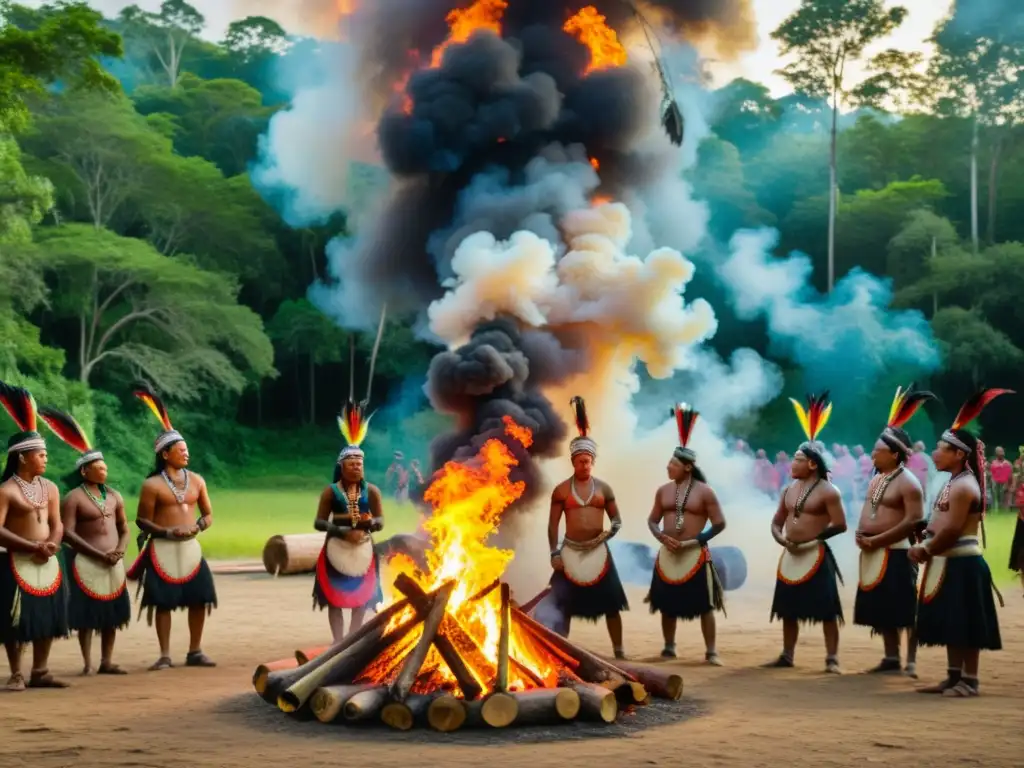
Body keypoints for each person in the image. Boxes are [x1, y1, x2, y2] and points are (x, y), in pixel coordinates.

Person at [910, 388, 1012, 697]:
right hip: (948, 560)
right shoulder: (953, 483)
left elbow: (953, 529)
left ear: (959, 454)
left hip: (963, 562)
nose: (934, 453)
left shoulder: (963, 486)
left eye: (940, 449)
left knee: (965, 621)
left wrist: (925, 548)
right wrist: (926, 532)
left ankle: (970, 680)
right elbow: (942, 524)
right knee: (953, 621)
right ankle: (954, 677)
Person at [126, 383, 217, 671]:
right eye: (181, 450)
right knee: (162, 603)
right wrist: (167, 532)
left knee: (200, 598)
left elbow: (209, 514)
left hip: (191, 548)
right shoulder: (152, 485)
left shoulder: (198, 481)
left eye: (186, 449)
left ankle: (195, 650)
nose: (186, 453)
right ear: (165, 454)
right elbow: (141, 520)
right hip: (163, 548)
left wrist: (198, 527)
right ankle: (164, 654)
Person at [39, 406, 131, 675]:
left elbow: (125, 528)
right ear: (84, 472)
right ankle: (88, 663)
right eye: (98, 468)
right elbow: (67, 533)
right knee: (87, 616)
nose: (104, 471)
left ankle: (106, 661)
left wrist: (120, 550)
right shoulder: (74, 498)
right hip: (87, 564)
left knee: (112, 615)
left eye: (104, 467)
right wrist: (97, 554)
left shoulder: (115, 496)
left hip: (113, 562)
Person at [852, 385, 933, 676]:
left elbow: (913, 521)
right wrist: (862, 535)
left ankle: (910, 660)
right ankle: (890, 657)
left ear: (895, 454)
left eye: (878, 450)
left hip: (898, 554)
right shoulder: (879, 478)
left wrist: (878, 540)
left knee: (903, 609)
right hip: (874, 550)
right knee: (881, 610)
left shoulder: (908, 482)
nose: (873, 454)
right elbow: (869, 510)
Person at [765, 393, 847, 673]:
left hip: (816, 556)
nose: (792, 463)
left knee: (827, 610)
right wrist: (781, 539)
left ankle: (832, 658)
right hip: (790, 555)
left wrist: (811, 541)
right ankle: (787, 655)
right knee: (788, 609)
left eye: (798, 459)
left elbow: (840, 524)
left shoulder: (828, 491)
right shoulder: (788, 490)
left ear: (813, 464)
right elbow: (776, 522)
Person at [0, 382, 69, 690]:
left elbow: (58, 523)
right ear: (23, 458)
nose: (46, 459)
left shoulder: (51, 488)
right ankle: (16, 673)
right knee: (14, 620)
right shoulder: (6, 491)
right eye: (41, 455)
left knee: (46, 616)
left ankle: (40, 671)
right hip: (15, 560)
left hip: (47, 560)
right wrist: (31, 546)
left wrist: (52, 542)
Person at [549, 396, 629, 659]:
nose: (585, 465)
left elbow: (616, 519)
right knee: (559, 603)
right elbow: (553, 524)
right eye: (580, 461)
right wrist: (555, 553)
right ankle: (560, 650)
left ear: (593, 461)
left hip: (598, 552)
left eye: (588, 461)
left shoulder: (604, 488)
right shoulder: (561, 491)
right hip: (570, 550)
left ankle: (618, 650)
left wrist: (610, 532)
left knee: (612, 604)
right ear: (573, 462)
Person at [645, 403, 726, 663]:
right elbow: (652, 520)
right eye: (669, 463)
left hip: (695, 555)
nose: (668, 467)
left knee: (706, 605)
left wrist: (695, 542)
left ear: (687, 467)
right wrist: (661, 537)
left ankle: (711, 651)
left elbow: (719, 523)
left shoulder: (705, 492)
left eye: (673, 464)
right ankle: (669, 646)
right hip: (667, 553)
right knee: (666, 604)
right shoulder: (662, 490)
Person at [313, 399, 384, 641]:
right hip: (337, 549)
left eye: (360, 464)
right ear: (341, 467)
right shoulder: (330, 491)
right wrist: (341, 530)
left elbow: (381, 521)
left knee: (361, 598)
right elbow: (319, 523)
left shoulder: (372, 491)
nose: (357, 468)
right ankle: (337, 640)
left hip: (363, 550)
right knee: (335, 598)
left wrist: (370, 523)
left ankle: (352, 638)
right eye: (352, 464)